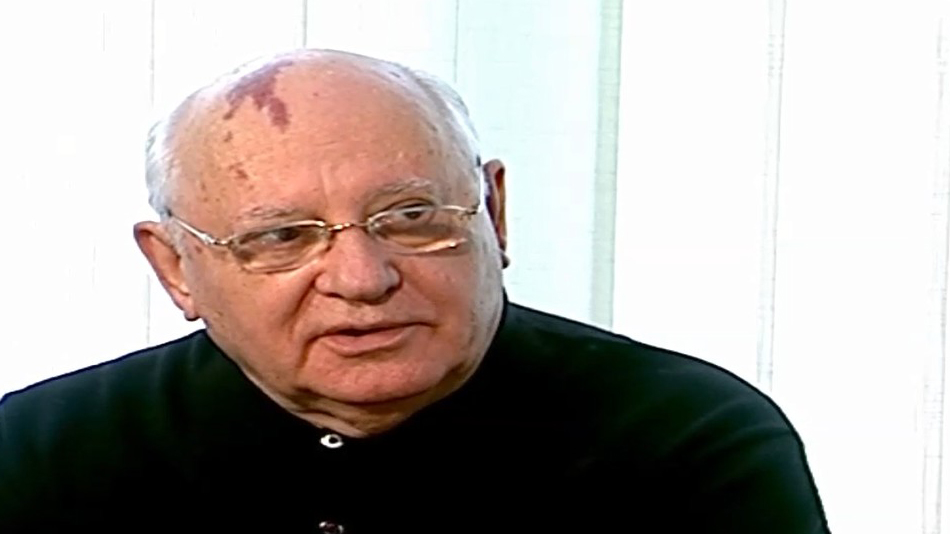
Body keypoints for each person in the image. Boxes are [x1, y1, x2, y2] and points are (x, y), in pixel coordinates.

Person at [0, 49, 830, 532]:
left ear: (493, 215)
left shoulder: (688, 440)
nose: (362, 279)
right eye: (282, 238)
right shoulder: (38, 456)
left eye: (411, 219)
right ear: (175, 268)